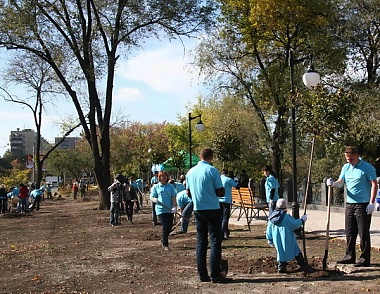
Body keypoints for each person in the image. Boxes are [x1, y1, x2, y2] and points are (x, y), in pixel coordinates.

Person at [186, 148, 232, 283]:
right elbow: (220, 192)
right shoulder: (212, 171)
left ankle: (202, 274)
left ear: (200, 156)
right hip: (212, 208)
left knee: (201, 241)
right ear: (211, 157)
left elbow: (188, 193)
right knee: (215, 241)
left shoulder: (190, 172)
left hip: (198, 209)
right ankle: (215, 273)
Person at [327, 146, 378, 267]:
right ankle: (349, 256)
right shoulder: (346, 167)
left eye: (351, 158)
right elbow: (341, 182)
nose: (349, 161)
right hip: (349, 204)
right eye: (347, 159)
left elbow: (374, 184)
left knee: (363, 232)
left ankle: (365, 258)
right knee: (349, 232)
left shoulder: (367, 167)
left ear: (356, 155)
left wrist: (372, 203)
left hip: (363, 204)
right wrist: (333, 183)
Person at [266, 199, 312, 273]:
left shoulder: (271, 218)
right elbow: (294, 224)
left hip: (277, 239)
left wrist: (270, 239)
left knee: (281, 252)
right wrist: (302, 220)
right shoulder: (286, 217)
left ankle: (281, 267)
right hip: (288, 239)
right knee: (296, 251)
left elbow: (269, 230)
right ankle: (303, 265)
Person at [150, 171, 177, 250]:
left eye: (165, 176)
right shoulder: (156, 187)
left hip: (169, 209)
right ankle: (165, 244)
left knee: (170, 226)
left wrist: (174, 207)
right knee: (165, 226)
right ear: (159, 178)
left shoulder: (171, 187)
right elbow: (152, 197)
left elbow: (173, 197)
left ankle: (163, 238)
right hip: (161, 210)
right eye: (162, 176)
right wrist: (154, 199)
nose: (164, 177)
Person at [219, 170, 239, 240]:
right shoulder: (228, 180)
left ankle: (226, 232)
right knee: (225, 218)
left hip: (218, 200)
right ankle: (221, 233)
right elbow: (237, 186)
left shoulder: (218, 179)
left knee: (221, 217)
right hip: (226, 201)